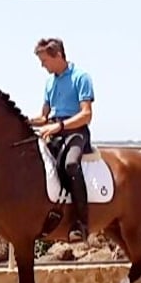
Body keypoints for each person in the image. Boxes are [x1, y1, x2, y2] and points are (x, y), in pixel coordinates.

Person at [29, 37, 94, 243]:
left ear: (57, 55)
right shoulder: (49, 83)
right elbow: (44, 117)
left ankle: (81, 223)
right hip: (53, 131)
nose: (42, 65)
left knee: (71, 164)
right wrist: (25, 121)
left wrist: (61, 126)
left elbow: (86, 115)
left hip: (75, 131)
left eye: (44, 60)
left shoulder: (81, 77)